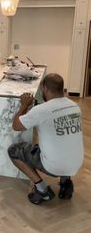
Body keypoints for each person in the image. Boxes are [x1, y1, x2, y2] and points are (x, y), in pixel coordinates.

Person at [8, 73, 84, 205]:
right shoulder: (75, 106)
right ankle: (66, 185)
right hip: (76, 164)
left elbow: (16, 126)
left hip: (53, 167)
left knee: (14, 150)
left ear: (45, 89)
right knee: (64, 141)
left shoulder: (41, 110)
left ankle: (42, 190)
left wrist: (24, 106)